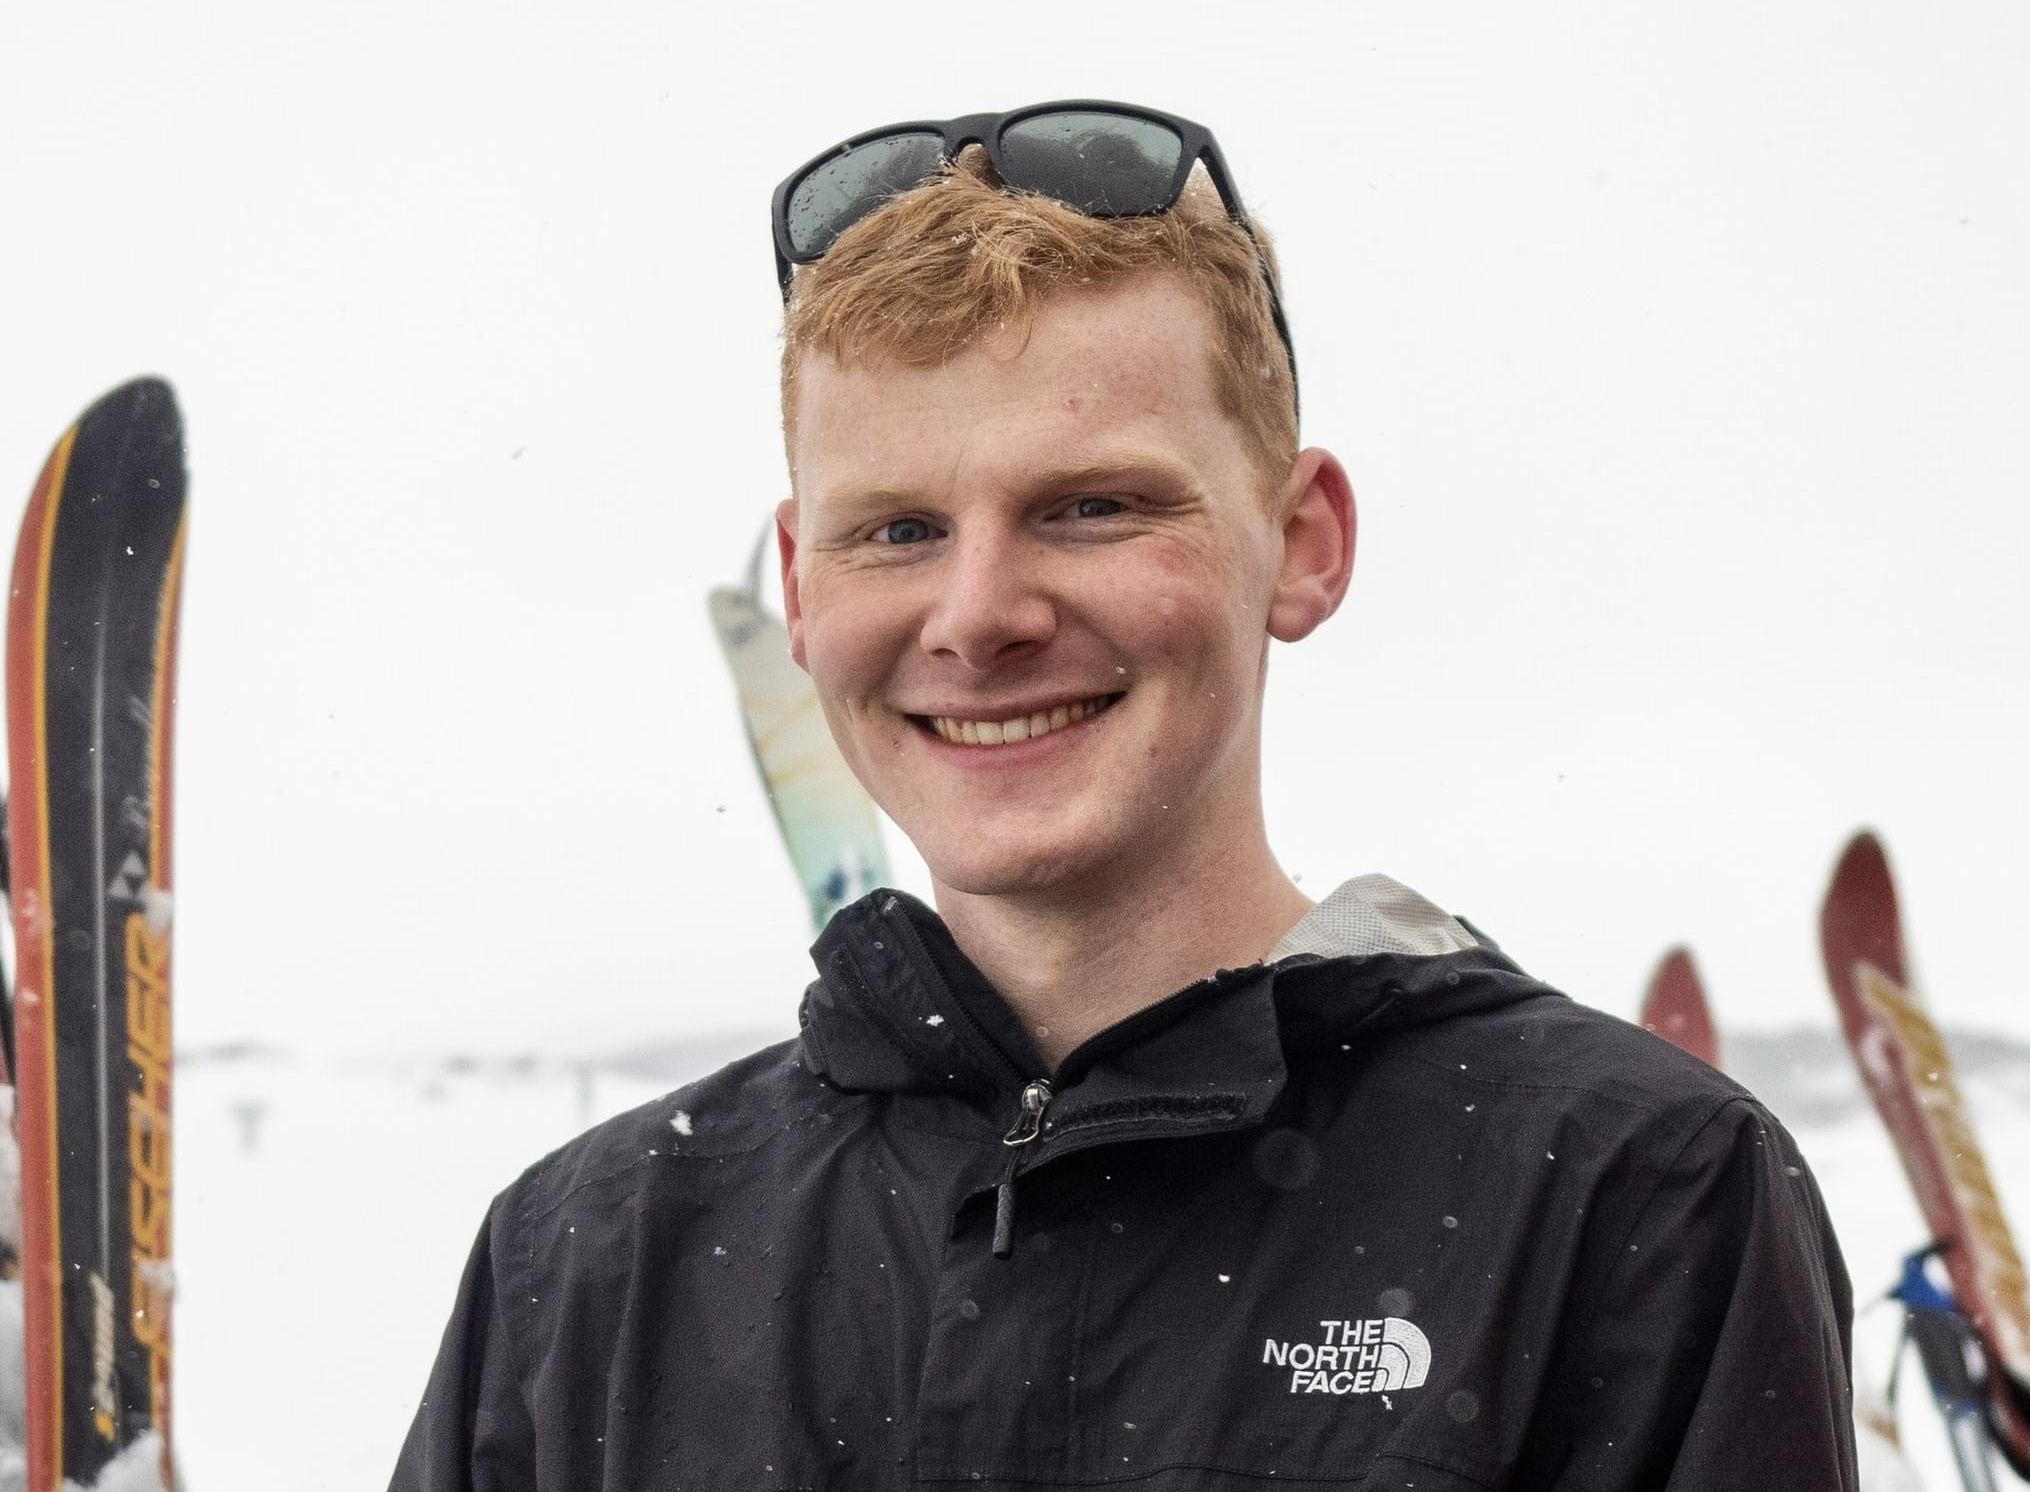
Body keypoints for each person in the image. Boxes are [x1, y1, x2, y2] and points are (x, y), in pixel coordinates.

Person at [390, 101, 1858, 1490]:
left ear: (1299, 544)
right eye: (895, 530)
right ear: (798, 587)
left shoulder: (1624, 1191)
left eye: (1089, 507)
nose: (975, 616)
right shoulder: (588, 1258)